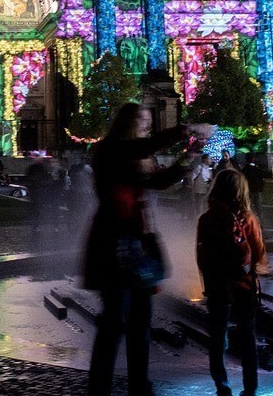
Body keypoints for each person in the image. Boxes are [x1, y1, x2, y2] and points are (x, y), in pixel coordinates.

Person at [84, 101, 213, 396]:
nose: (148, 126)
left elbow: (160, 181)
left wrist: (189, 158)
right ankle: (99, 388)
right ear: (127, 123)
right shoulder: (111, 150)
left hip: (139, 244)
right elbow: (142, 148)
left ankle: (139, 385)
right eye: (143, 120)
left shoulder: (138, 155)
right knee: (114, 321)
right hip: (114, 244)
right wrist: (185, 130)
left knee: (141, 322)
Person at [197, 168, 267, 396]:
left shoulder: (206, 219)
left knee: (217, 339)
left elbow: (202, 256)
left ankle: (222, 386)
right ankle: (250, 388)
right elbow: (258, 253)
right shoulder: (248, 219)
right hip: (244, 287)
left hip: (218, 287)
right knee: (247, 338)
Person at [242, 155, 266, 224]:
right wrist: (260, 188)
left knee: (248, 207)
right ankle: (260, 222)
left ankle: (249, 222)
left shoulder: (244, 170)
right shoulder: (257, 169)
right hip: (256, 190)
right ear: (253, 159)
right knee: (258, 208)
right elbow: (262, 180)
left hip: (248, 191)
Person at [189, 152, 215, 217]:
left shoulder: (209, 169)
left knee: (205, 207)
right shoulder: (199, 167)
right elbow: (192, 177)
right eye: (209, 159)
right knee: (200, 207)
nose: (211, 160)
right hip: (199, 191)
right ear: (205, 159)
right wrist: (193, 188)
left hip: (207, 191)